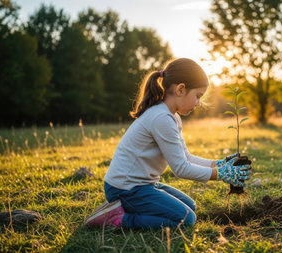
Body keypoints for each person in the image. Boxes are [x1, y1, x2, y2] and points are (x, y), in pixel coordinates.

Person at [84, 58, 250, 229]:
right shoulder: (161, 117)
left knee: (190, 207)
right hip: (125, 189)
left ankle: (130, 210)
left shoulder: (172, 116)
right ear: (180, 89)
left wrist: (218, 164)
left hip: (142, 185)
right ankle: (118, 219)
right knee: (186, 219)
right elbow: (181, 169)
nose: (199, 102)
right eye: (198, 96)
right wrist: (220, 174)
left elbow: (185, 157)